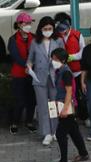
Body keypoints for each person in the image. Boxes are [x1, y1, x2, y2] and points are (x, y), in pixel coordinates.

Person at [27, 16, 65, 146]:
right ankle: (46, 133)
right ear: (40, 29)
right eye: (45, 29)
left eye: (50, 28)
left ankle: (55, 131)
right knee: (43, 106)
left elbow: (63, 57)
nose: (48, 31)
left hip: (55, 77)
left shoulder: (58, 40)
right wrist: (29, 67)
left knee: (54, 105)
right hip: (39, 78)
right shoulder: (34, 42)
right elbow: (30, 59)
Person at [50, 48, 89, 162]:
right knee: (73, 130)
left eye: (55, 59)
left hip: (66, 106)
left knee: (60, 134)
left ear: (62, 60)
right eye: (52, 58)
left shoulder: (65, 72)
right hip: (65, 104)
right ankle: (83, 153)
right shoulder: (60, 70)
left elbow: (69, 92)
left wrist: (65, 109)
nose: (53, 61)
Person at [54, 13, 87, 122]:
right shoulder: (58, 36)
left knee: (79, 96)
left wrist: (73, 57)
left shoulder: (77, 35)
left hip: (77, 71)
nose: (62, 32)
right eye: (60, 29)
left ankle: (84, 116)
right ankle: (69, 116)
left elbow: (83, 51)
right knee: (65, 94)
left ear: (69, 26)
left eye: (64, 29)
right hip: (63, 72)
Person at [8, 12, 37, 134]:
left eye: (30, 23)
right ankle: (15, 122)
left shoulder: (34, 37)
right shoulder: (13, 39)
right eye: (26, 23)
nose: (28, 25)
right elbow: (15, 56)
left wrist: (32, 65)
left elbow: (37, 52)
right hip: (18, 74)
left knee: (32, 100)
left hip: (31, 74)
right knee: (19, 100)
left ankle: (29, 122)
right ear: (19, 24)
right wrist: (27, 65)